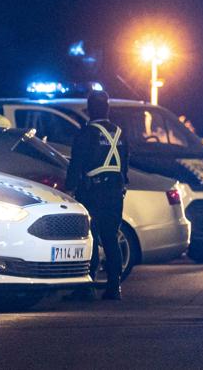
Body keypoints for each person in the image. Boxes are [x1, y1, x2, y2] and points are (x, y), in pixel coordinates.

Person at [65, 89, 129, 300]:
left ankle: (86, 287)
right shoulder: (120, 133)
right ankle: (114, 287)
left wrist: (69, 188)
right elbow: (125, 166)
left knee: (91, 237)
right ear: (107, 109)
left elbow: (76, 165)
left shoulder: (86, 133)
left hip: (94, 193)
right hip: (115, 192)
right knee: (111, 238)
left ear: (90, 109)